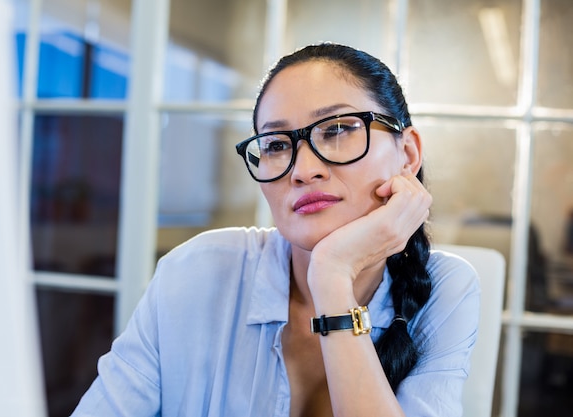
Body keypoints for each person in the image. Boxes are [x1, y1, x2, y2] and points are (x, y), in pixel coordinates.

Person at [71, 43, 480, 416]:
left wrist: (333, 275)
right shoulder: (197, 271)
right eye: (276, 145)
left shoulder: (446, 289)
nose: (303, 171)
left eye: (337, 130)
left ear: (407, 154)